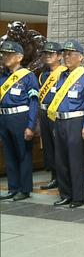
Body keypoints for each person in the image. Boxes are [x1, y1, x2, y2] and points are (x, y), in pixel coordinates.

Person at [49, 40, 84, 208]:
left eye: (70, 54)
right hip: (60, 120)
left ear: (80, 57)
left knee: (75, 160)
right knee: (61, 160)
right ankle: (65, 194)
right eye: (65, 54)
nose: (66, 57)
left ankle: (78, 196)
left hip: (76, 121)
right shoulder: (61, 76)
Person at [0, 41, 39, 201]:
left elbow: (34, 102)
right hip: (4, 118)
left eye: (9, 54)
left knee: (23, 154)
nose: (5, 57)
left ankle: (24, 189)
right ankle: (13, 187)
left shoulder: (28, 76)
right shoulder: (2, 77)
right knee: (9, 154)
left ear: (19, 57)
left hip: (20, 117)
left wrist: (31, 125)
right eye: (4, 54)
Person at [37, 42, 64, 190]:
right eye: (45, 54)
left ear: (59, 56)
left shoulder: (64, 73)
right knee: (48, 146)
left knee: (59, 146)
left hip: (57, 114)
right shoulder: (43, 75)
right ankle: (54, 176)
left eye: (51, 54)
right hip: (44, 112)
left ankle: (62, 177)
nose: (47, 56)